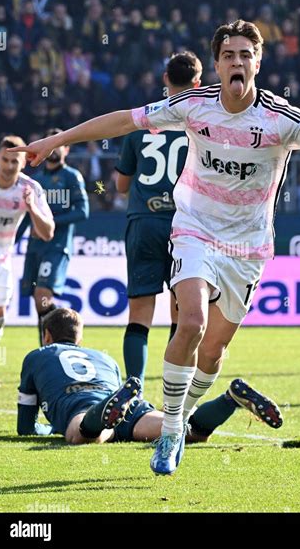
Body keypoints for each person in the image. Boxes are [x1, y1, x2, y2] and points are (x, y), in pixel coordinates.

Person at [10, 19, 300, 475]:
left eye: (245, 55)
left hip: (249, 246)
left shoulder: (284, 119)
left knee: (214, 352)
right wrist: (56, 139)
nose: (237, 62)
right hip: (194, 228)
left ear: (257, 62)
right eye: (228, 55)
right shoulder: (193, 104)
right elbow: (125, 119)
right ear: (217, 64)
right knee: (192, 322)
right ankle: (170, 430)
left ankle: (183, 414)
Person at [17, 308, 282, 452]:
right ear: (79, 339)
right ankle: (229, 400)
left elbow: (25, 426)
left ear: (47, 336)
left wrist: (49, 428)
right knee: (186, 431)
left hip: (82, 406)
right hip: (131, 410)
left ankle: (101, 418)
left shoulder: (36, 356)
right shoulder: (103, 358)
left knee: (81, 436)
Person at [114, 52, 202, 388]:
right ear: (198, 82)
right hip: (186, 228)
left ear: (165, 78)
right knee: (183, 317)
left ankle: (132, 388)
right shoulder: (200, 122)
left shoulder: (141, 121)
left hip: (145, 221)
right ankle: (173, 392)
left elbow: (121, 185)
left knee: (139, 315)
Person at [0, 136, 54, 388]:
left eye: (14, 161)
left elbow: (48, 232)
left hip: (2, 261)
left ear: (24, 163)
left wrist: (32, 208)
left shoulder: (29, 189)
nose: (8, 166)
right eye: (4, 159)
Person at [16, 128, 89, 345]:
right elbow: (27, 216)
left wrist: (52, 221)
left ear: (66, 149)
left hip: (57, 246)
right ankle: (49, 346)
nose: (55, 150)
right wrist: (13, 239)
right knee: (38, 301)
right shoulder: (35, 180)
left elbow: (83, 211)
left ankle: (67, 332)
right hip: (35, 246)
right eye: (51, 144)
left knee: (42, 295)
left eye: (59, 145)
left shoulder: (72, 176)